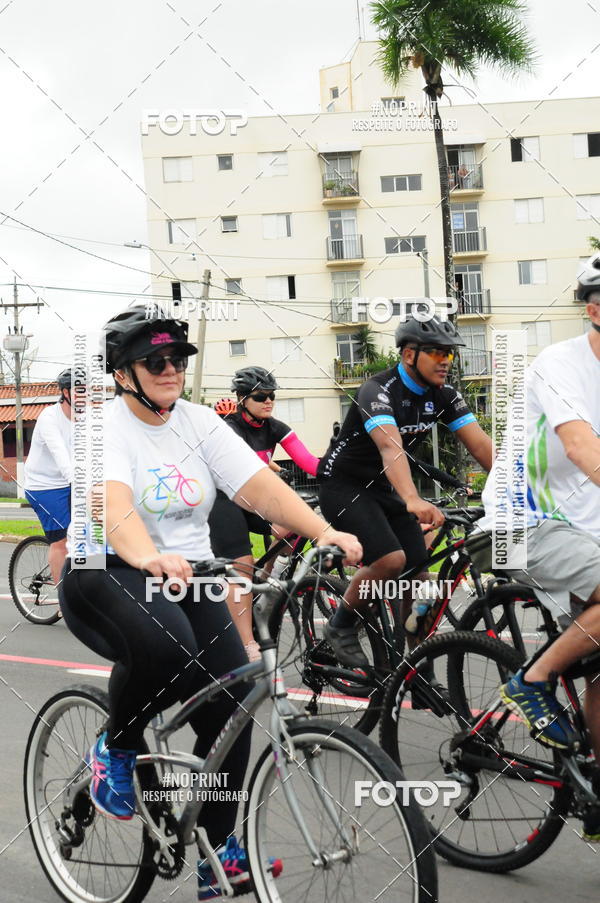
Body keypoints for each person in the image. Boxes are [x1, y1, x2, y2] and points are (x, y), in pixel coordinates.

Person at [58, 307, 361, 897]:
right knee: (165, 648)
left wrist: (323, 530)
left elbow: (259, 486)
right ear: (124, 373)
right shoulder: (103, 430)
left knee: (234, 699)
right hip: (106, 570)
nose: (171, 370)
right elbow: (113, 504)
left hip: (190, 573)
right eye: (155, 362)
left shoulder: (197, 422)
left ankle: (218, 849)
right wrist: (147, 555)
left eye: (178, 360)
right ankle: (114, 750)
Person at [478, 255, 600, 833]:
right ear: (594, 310)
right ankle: (530, 680)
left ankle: (595, 791)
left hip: (583, 531)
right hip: (515, 527)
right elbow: (580, 447)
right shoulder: (560, 364)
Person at [318, 314, 493, 668]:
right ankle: (341, 625)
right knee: (391, 560)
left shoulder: (444, 395)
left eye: (450, 354)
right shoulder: (378, 390)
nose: (445, 360)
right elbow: (390, 448)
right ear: (409, 354)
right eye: (436, 352)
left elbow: (482, 448)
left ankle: (415, 668)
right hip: (343, 484)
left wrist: (523, 491)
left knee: (419, 579)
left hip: (384, 487)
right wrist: (412, 499)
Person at [209, 367, 320, 661]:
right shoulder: (229, 427)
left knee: (290, 531)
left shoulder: (275, 427)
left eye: (272, 396)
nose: (268, 401)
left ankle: (266, 585)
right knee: (242, 565)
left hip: (254, 493)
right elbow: (245, 468)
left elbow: (309, 462)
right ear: (243, 398)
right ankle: (246, 642)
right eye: (261, 397)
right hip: (224, 499)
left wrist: (341, 471)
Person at [24, 368, 75, 586]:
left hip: (69, 483)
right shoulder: (49, 418)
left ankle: (86, 585)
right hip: (43, 487)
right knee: (61, 541)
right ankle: (64, 600)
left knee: (93, 534)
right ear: (65, 392)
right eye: (79, 390)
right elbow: (61, 455)